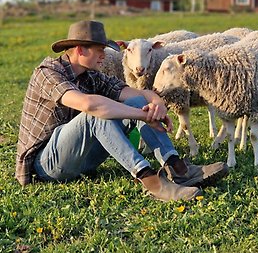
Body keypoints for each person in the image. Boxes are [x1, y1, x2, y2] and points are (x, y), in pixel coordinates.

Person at [16, 20, 228, 201]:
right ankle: (151, 181)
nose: (104, 55)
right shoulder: (47, 73)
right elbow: (89, 105)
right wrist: (143, 116)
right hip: (48, 165)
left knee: (136, 103)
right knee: (94, 115)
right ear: (80, 50)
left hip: (83, 160)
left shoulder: (90, 75)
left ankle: (177, 168)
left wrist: (156, 103)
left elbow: (134, 94)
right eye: (100, 50)